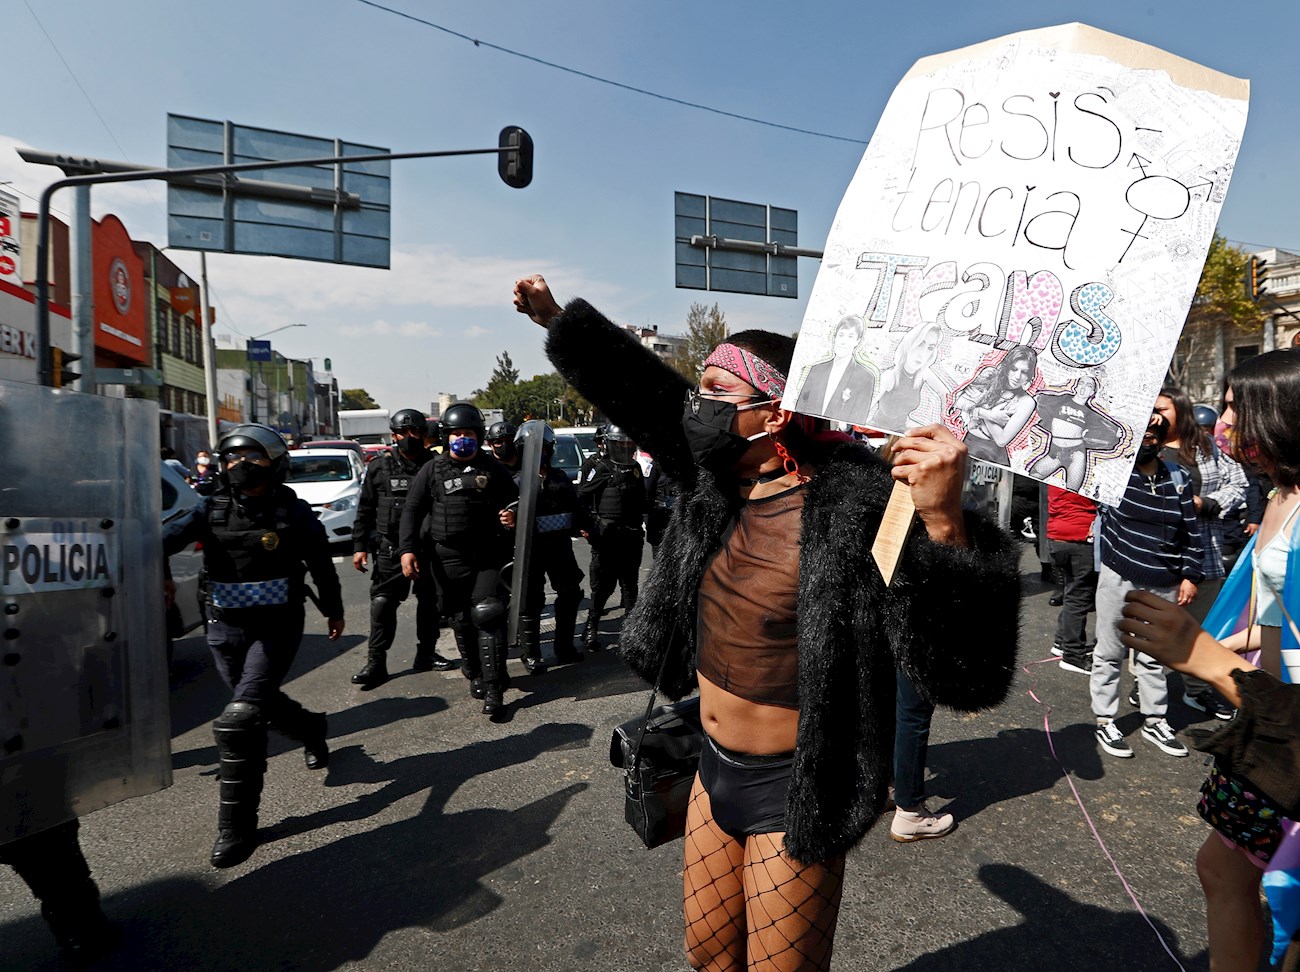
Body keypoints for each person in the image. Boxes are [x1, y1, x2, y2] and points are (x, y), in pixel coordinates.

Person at [513, 274, 1020, 972]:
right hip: (710, 767)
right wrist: (556, 320)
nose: (695, 405)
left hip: (798, 788)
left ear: (774, 414)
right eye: (697, 389)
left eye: (716, 391)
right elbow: (641, 392)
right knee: (709, 957)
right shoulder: (717, 482)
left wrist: (944, 523)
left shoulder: (860, 509)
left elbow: (965, 674)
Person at [1119, 348, 1300, 972]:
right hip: (1265, 717)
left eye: (1233, 407)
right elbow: (1276, 616)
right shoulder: (1279, 495)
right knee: (1223, 868)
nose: (1222, 421)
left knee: (1261, 883)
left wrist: (1206, 658)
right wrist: (1229, 644)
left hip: (1286, 727)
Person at [163, 423, 345, 868]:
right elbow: (155, 542)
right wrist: (159, 575)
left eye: (253, 457)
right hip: (224, 626)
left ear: (274, 464)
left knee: (240, 718)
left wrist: (334, 610)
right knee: (255, 703)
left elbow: (322, 564)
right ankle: (311, 728)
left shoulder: (293, 512)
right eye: (232, 458)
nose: (241, 466)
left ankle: (237, 828)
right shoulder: (210, 509)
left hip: (276, 625)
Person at [1090, 411, 1200, 760]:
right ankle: (1105, 719)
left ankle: (1155, 720)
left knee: (1153, 658)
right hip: (1119, 574)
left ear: (1162, 440)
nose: (1146, 440)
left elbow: (1191, 530)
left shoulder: (1179, 478)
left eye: (1153, 435)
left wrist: (1190, 575)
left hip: (1164, 580)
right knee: (1109, 652)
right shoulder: (1113, 474)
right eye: (1140, 433)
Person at [399, 403, 518, 718]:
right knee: (460, 620)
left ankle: (494, 687)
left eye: (468, 433)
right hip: (448, 558)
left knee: (488, 614)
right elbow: (412, 510)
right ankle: (475, 671)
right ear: (446, 437)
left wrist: (512, 515)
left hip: (488, 555)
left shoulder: (493, 468)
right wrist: (407, 550)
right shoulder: (432, 470)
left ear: (478, 436)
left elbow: (516, 502)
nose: (462, 439)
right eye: (456, 434)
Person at [1154, 386, 1248, 720]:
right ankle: (1148, 690)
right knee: (1155, 628)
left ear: (1181, 411)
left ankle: (1195, 689)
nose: (1155, 416)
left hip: (1204, 551)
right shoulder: (1143, 448)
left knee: (1200, 629)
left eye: (1162, 410)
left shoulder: (1206, 447)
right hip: (1157, 555)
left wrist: (1206, 503)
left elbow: (1239, 484)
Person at [350, 408, 456, 688]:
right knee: (383, 602)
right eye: (403, 432)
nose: (410, 436)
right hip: (391, 548)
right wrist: (359, 545)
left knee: (431, 603)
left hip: (428, 546)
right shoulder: (379, 467)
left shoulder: (436, 465)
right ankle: (376, 662)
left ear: (423, 435)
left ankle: (426, 653)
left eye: (415, 432)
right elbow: (365, 509)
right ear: (394, 435)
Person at [513, 421, 585, 670]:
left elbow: (576, 509)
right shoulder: (515, 481)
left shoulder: (560, 477)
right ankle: (531, 654)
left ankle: (564, 648)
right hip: (530, 551)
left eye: (543, 448)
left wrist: (588, 528)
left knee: (571, 593)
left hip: (560, 547)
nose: (538, 453)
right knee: (531, 600)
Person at [576, 423, 647, 651]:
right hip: (607, 538)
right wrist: (591, 524)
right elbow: (582, 497)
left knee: (630, 586)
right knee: (603, 587)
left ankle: (631, 633)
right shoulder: (600, 467)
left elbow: (642, 500)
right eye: (621, 445)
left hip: (631, 536)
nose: (625, 449)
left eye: (628, 445)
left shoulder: (635, 468)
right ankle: (591, 628)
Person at [1027, 375, 1124, 492]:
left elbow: (1105, 425)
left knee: (1072, 491)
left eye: (1089, 386)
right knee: (1033, 475)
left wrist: (1115, 432)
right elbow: (1041, 400)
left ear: (1092, 392)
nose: (1084, 387)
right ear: (1076, 387)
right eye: (1082, 383)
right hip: (1055, 451)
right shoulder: (1061, 400)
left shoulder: (1090, 413)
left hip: (1076, 454)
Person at [952, 346, 1039, 466]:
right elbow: (958, 401)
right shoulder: (990, 376)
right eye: (1014, 369)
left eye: (1024, 372)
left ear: (1029, 376)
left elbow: (1002, 440)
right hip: (968, 441)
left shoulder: (1027, 401)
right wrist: (991, 415)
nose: (1017, 376)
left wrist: (982, 407)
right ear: (1007, 367)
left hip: (992, 454)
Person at [1046, 485, 1098, 675]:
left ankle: (1063, 642)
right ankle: (1073, 654)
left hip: (1057, 535)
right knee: (1078, 597)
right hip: (1080, 535)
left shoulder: (1056, 472)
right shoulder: (1090, 473)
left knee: (1072, 592)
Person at [793, 315, 878, 422]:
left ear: (857, 341)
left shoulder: (866, 378)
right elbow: (800, 407)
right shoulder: (816, 370)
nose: (843, 341)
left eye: (850, 336)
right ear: (835, 337)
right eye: (841, 335)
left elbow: (859, 418)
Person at [867, 321, 942, 433]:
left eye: (930, 348)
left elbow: (946, 394)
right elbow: (866, 406)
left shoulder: (923, 374)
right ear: (909, 344)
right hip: (877, 431)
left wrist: (945, 422)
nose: (923, 354)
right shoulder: (890, 376)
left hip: (901, 431)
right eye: (920, 344)